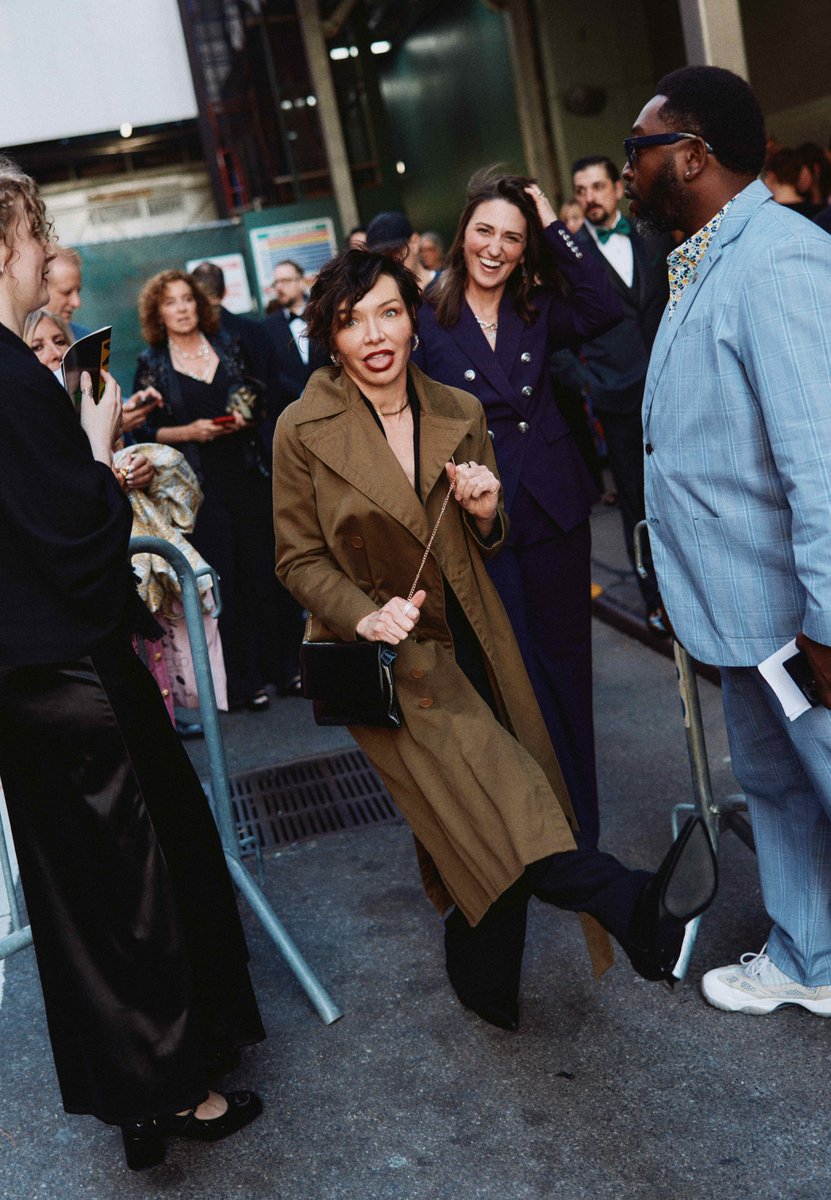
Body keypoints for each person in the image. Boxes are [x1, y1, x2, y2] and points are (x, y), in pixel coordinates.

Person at [272, 246, 716, 1032]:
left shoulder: (457, 409)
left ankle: (481, 976)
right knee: (509, 803)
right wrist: (363, 614)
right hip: (388, 659)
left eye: (388, 312)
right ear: (329, 338)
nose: (373, 335)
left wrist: (485, 512)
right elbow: (296, 557)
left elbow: (488, 536)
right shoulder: (301, 428)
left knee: (477, 819)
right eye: (350, 321)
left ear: (412, 320)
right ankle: (635, 905)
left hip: (474, 639)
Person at [0, 156, 264, 1169]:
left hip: (27, 684)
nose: (43, 256)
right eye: (35, 236)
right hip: (76, 675)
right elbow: (74, 536)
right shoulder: (13, 380)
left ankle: (138, 1099)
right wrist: (96, 440)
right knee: (142, 884)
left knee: (81, 905)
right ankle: (180, 1088)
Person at [623, 65, 831, 1015]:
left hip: (797, 616)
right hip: (741, 607)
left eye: (639, 150)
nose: (627, 170)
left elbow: (819, 462)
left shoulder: (777, 259)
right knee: (777, 789)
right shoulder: (705, 254)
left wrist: (827, 620)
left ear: (691, 156)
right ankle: (808, 959)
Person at [413, 167, 623, 849]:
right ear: (463, 233)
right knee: (509, 677)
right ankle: (532, 832)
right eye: (485, 231)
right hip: (482, 521)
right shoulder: (427, 317)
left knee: (566, 668)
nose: (495, 248)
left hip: (554, 510)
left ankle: (582, 832)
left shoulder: (537, 307)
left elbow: (607, 304)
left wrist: (553, 223)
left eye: (512, 236)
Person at [134, 269, 292, 707]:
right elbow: (143, 431)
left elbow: (256, 393)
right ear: (158, 313)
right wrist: (191, 432)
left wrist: (243, 415)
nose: (182, 308)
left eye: (187, 299)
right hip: (199, 489)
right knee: (224, 583)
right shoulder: (152, 362)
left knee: (266, 574)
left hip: (247, 473)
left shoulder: (227, 343)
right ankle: (243, 684)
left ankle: (286, 669)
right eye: (171, 302)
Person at [551, 155, 674, 636]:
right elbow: (555, 340)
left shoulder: (654, 234)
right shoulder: (570, 256)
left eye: (598, 186)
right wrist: (589, 381)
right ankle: (656, 601)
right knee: (637, 505)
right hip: (617, 399)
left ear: (617, 188)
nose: (590, 197)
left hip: (672, 387)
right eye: (581, 190)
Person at [263, 259, 328, 407]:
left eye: (285, 281)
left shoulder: (322, 314)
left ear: (301, 282)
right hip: (291, 407)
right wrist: (301, 394)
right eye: (276, 283)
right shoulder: (268, 326)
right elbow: (272, 371)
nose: (279, 287)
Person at [365, 211, 439, 292]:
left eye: (396, 251)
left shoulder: (445, 285)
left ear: (415, 242)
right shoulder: (378, 295)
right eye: (381, 256)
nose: (391, 260)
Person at [45, 245, 90, 338]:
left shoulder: (85, 338)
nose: (77, 303)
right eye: (66, 292)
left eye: (78, 292)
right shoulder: (16, 341)